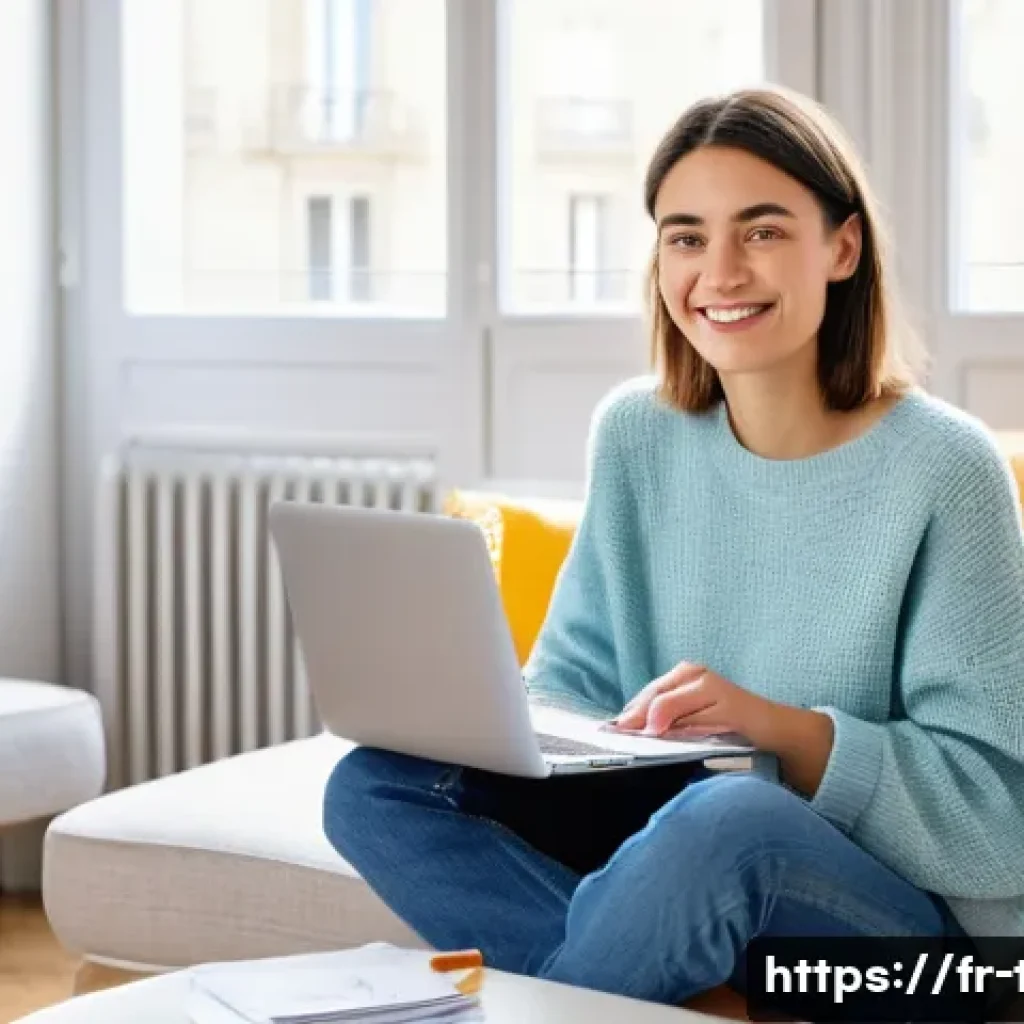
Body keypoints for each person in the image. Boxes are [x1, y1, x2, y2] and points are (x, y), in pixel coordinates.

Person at [321, 86, 1024, 1008]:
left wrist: (774, 730)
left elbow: (994, 814)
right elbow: (568, 677)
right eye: (687, 237)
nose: (720, 271)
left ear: (842, 247)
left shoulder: (944, 467)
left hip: (932, 955)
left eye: (763, 232)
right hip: (690, 846)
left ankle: (633, 978)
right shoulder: (636, 434)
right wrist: (544, 734)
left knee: (728, 819)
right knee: (376, 786)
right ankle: (667, 985)